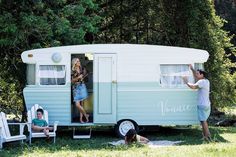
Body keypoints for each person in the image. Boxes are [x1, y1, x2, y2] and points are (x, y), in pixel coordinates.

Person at [182, 64, 211, 141]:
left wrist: (186, 82)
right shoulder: (206, 81)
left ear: (202, 75)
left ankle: (208, 136)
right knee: (203, 121)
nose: (196, 75)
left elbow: (193, 87)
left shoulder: (201, 82)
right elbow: (196, 76)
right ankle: (205, 136)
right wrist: (192, 69)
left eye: (198, 74)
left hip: (202, 105)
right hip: (206, 104)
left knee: (203, 121)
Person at [71, 58, 89, 123]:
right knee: (77, 105)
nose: (79, 62)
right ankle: (86, 115)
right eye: (77, 61)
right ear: (74, 63)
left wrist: (84, 76)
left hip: (82, 87)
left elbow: (86, 77)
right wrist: (78, 78)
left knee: (81, 105)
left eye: (79, 61)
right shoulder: (72, 70)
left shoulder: (82, 69)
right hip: (75, 88)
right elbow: (71, 80)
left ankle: (81, 119)